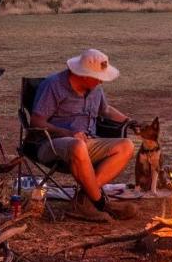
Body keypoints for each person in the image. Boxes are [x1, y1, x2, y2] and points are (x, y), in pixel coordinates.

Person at [30, 49, 139, 223]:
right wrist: (68, 133)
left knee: (127, 145)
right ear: (83, 75)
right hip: (52, 144)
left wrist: (131, 122)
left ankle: (84, 200)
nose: (101, 81)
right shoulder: (54, 85)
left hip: (87, 142)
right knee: (78, 145)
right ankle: (102, 204)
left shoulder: (95, 89)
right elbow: (36, 121)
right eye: (98, 77)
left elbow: (106, 110)